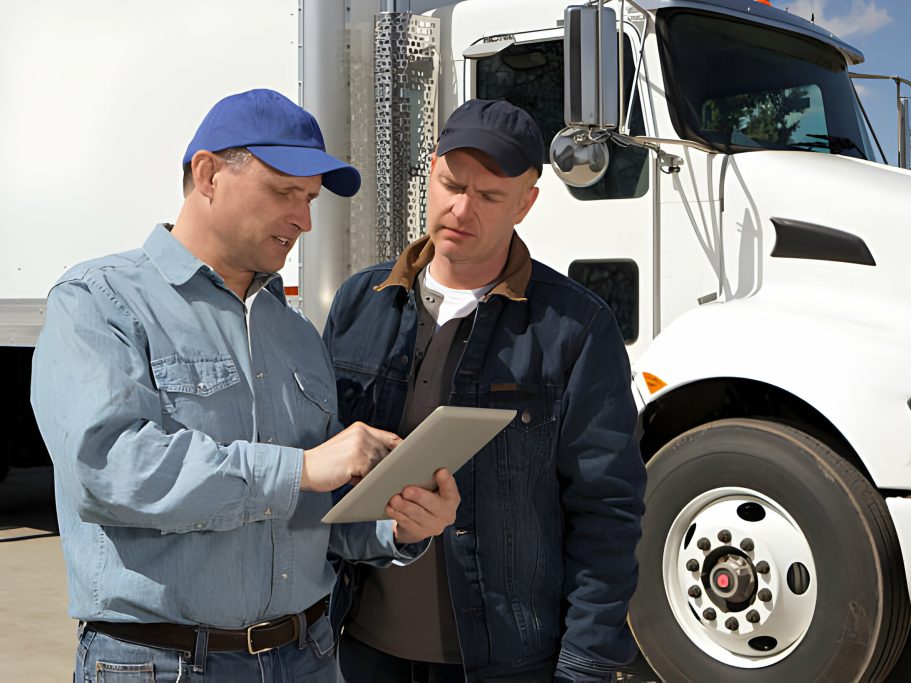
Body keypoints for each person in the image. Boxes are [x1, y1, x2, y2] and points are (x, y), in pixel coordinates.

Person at [30, 88, 460, 682]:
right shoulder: (99, 302)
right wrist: (302, 468)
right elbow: (110, 470)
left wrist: (399, 523)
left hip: (306, 655)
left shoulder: (297, 333)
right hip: (162, 664)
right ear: (208, 174)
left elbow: (319, 511)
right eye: (285, 192)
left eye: (309, 200)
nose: (304, 220)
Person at [323, 99, 647, 682]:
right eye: (451, 183)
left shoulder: (574, 327)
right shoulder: (358, 304)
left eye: (491, 196)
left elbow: (607, 510)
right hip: (357, 651)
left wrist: (585, 665)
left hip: (503, 662)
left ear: (527, 202)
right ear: (430, 174)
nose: (461, 208)